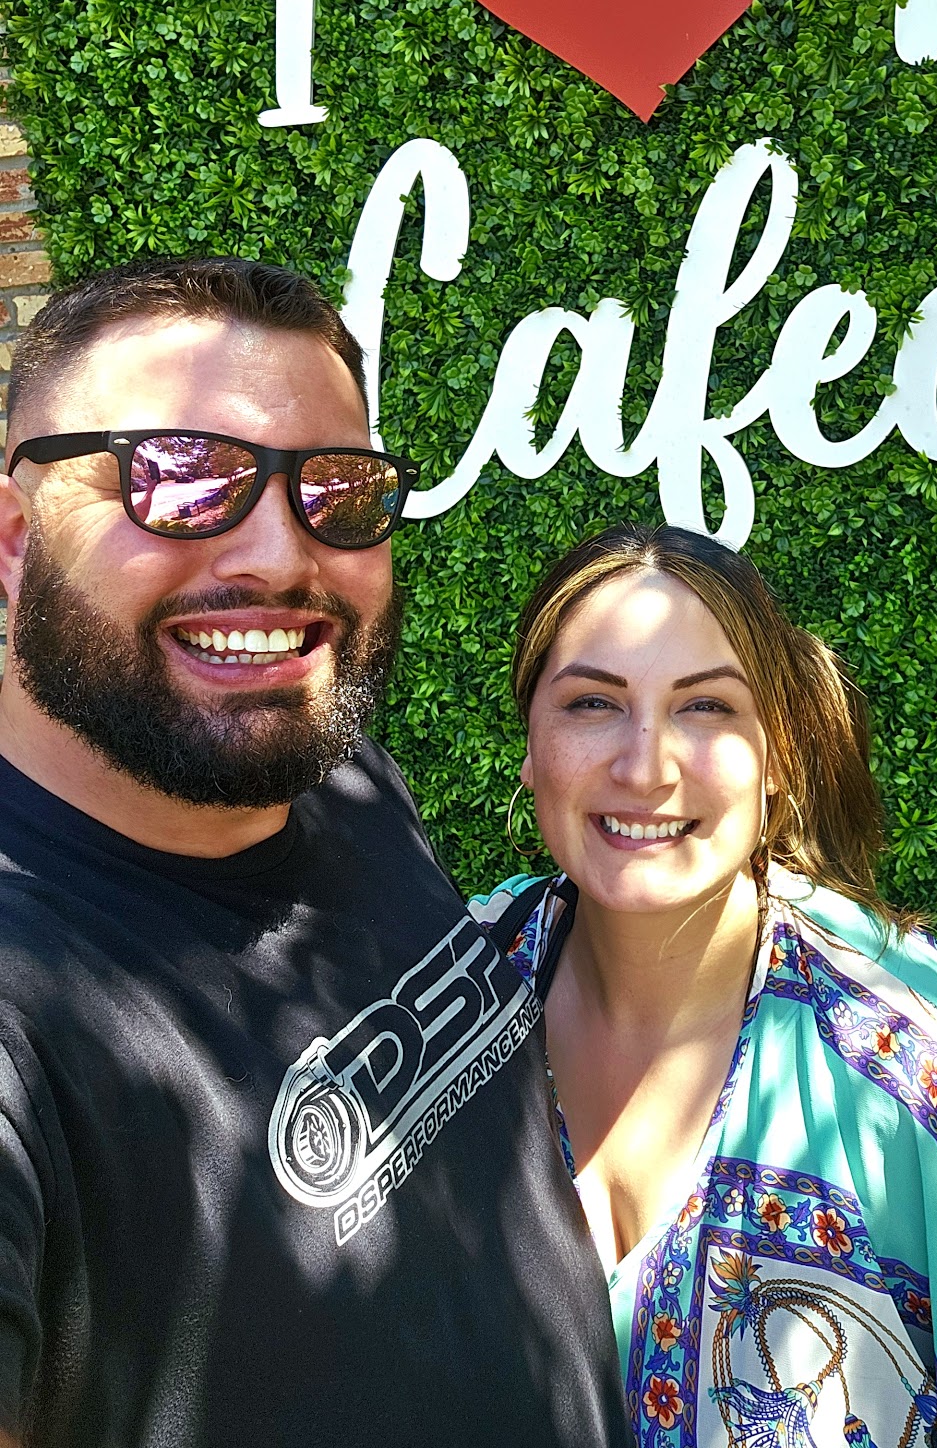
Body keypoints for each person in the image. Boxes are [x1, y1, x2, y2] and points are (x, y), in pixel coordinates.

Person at [0, 258, 628, 1448]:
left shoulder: (335, 776)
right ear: (18, 538)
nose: (284, 559)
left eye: (336, 491)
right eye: (183, 481)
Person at [473, 524, 937, 1448]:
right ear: (531, 744)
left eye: (707, 708)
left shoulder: (928, 1088)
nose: (645, 766)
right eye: (592, 703)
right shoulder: (452, 991)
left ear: (777, 759)